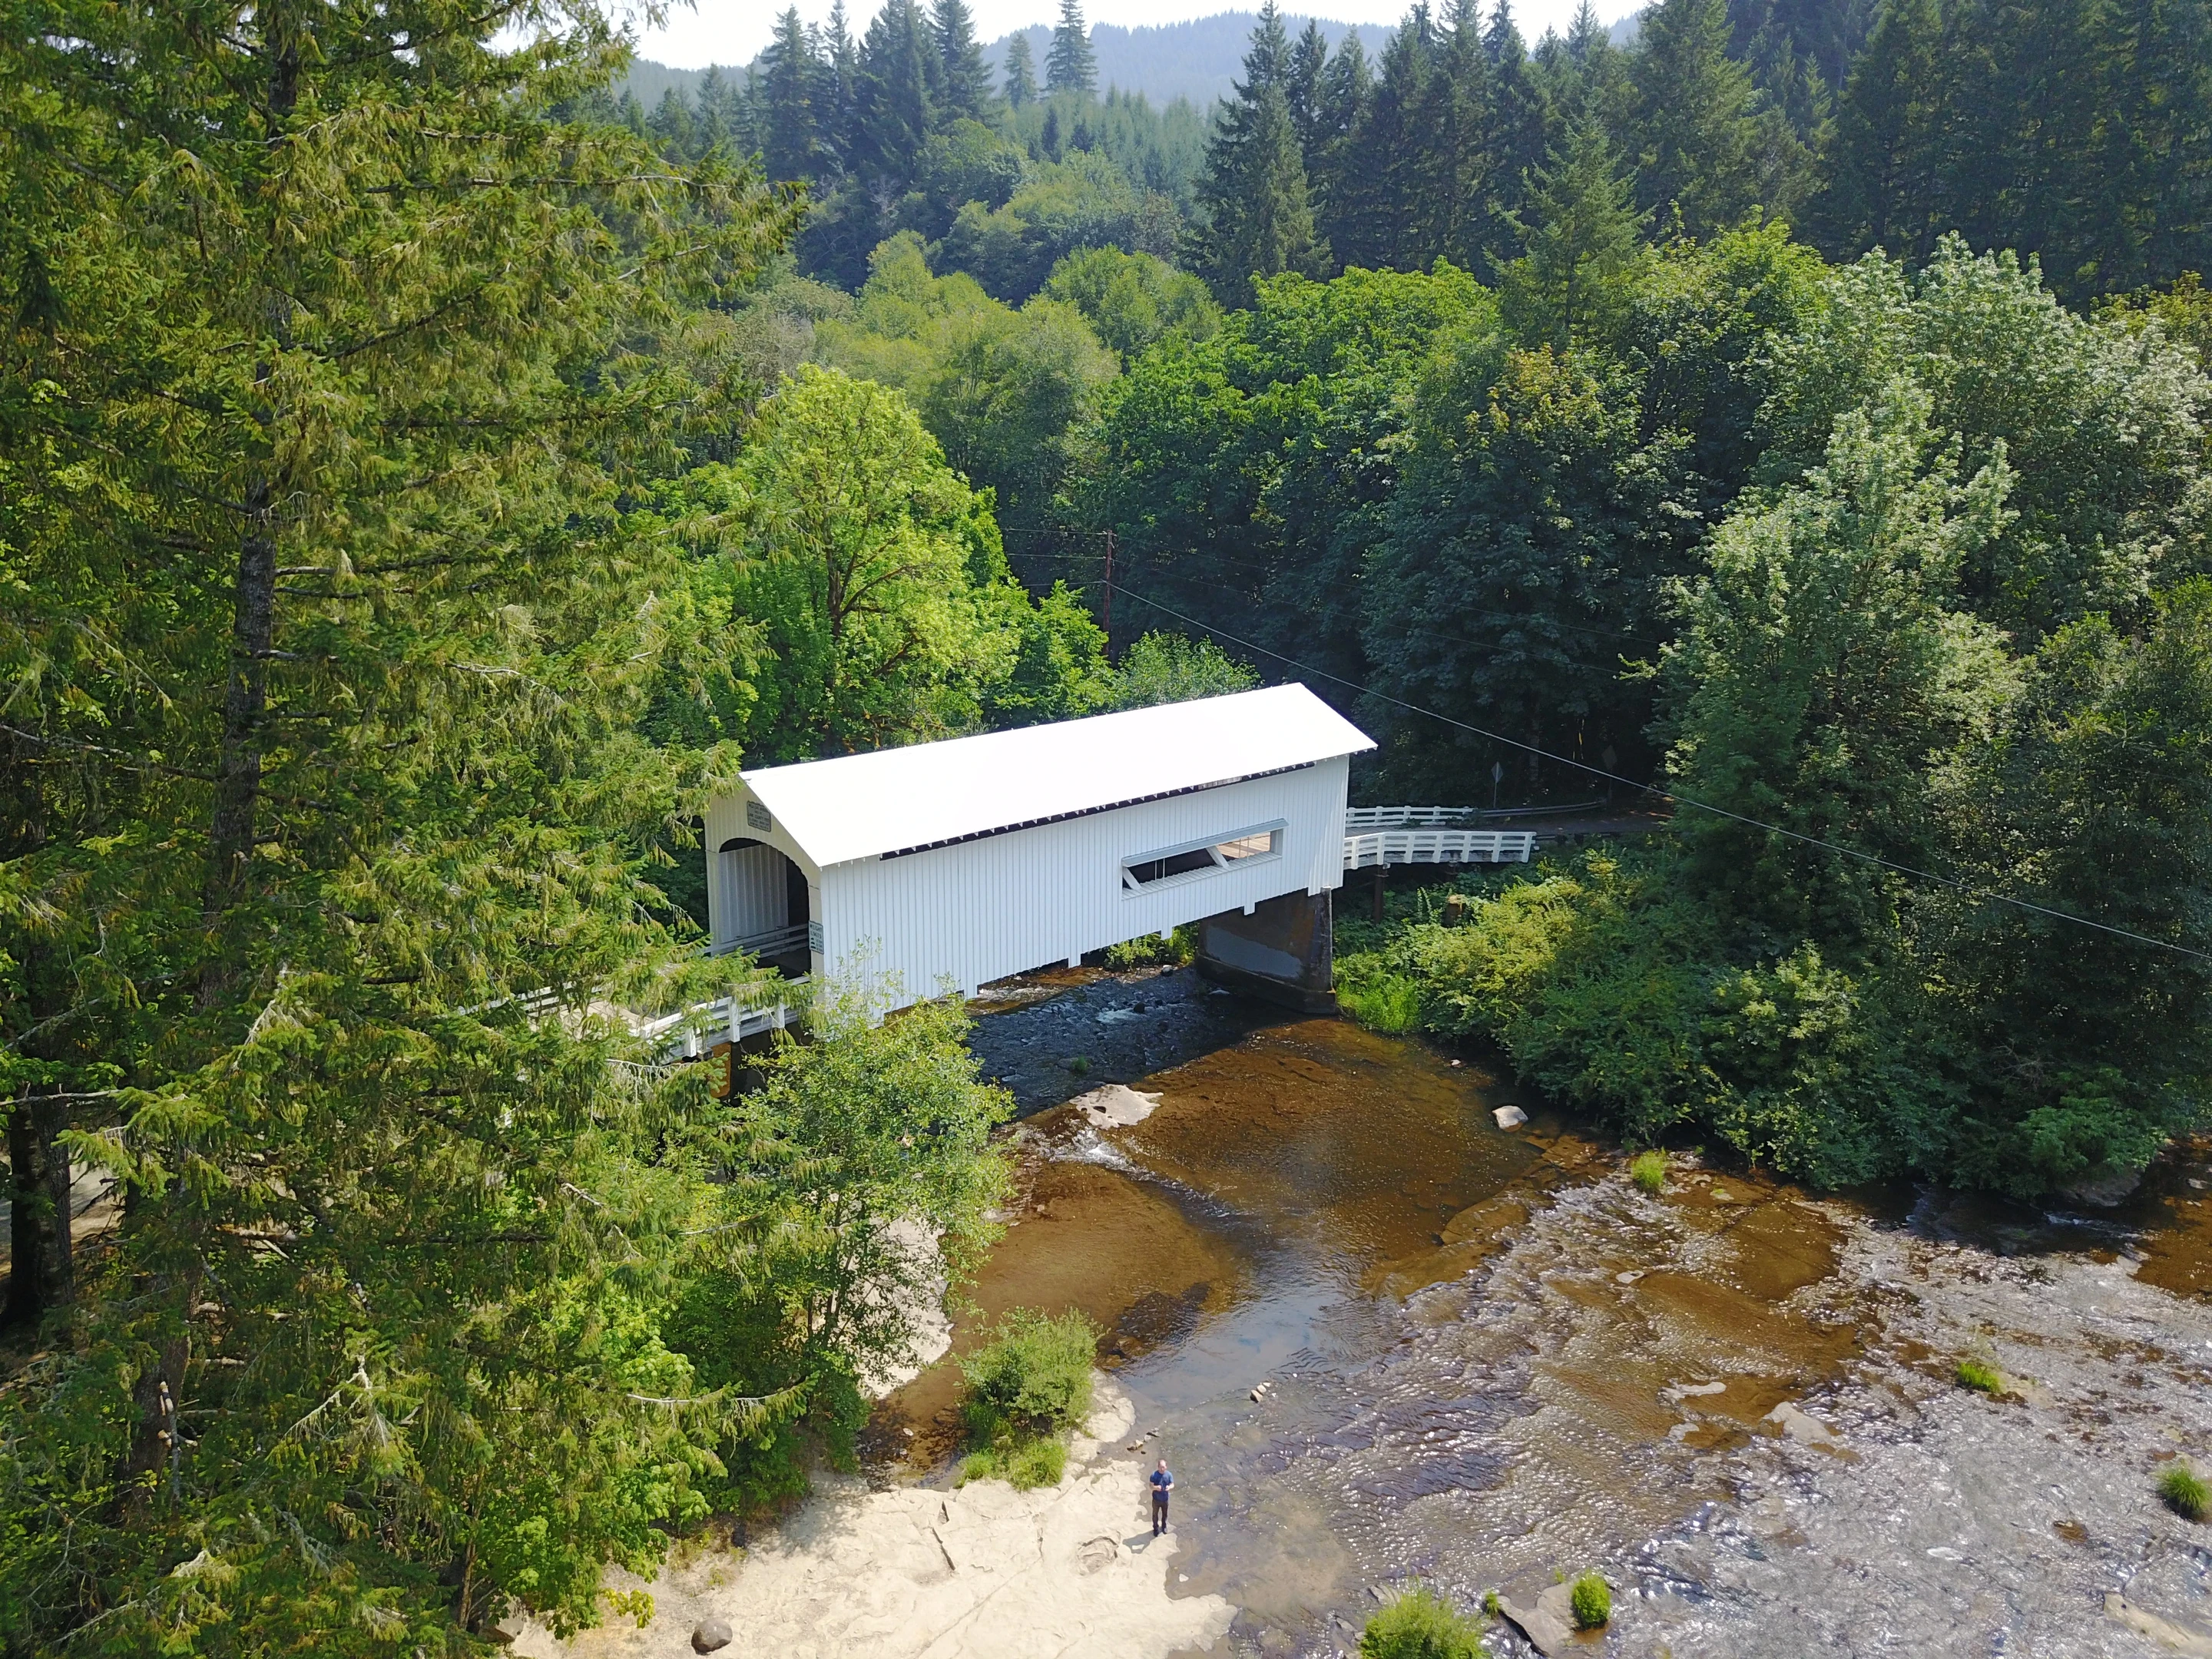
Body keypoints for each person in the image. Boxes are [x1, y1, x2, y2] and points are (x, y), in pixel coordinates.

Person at [1149, 1459, 1174, 1535]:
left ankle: (1164, 1526)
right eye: (1160, 1467)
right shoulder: (1154, 1475)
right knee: (1155, 1515)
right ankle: (1155, 1528)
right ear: (1158, 1467)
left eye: (1163, 1467)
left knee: (1165, 1514)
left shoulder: (1169, 1475)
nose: (1162, 1469)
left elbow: (1172, 1484)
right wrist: (1156, 1488)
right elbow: (1151, 1486)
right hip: (1156, 1499)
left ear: (1166, 1467)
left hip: (1165, 1499)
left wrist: (1169, 1487)